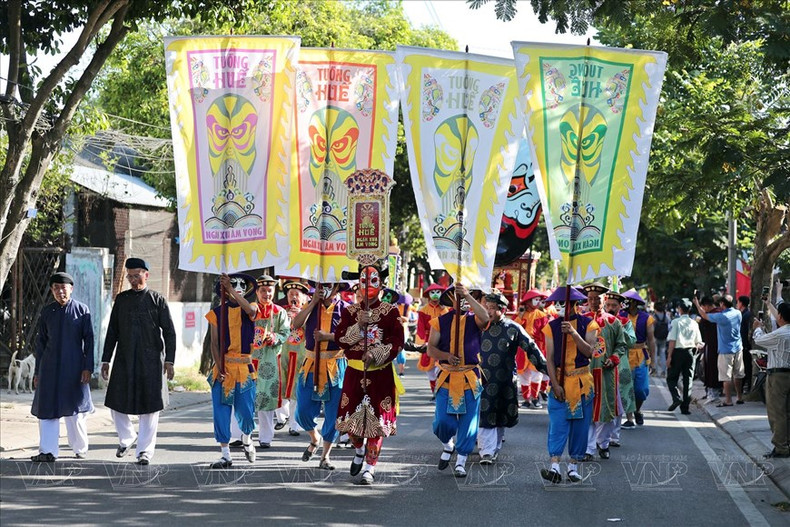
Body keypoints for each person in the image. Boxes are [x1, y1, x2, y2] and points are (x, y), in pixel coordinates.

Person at [334, 265, 405, 485]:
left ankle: (370, 467)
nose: (368, 286)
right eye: (364, 282)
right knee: (350, 424)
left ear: (381, 285)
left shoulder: (391, 312)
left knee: (377, 424)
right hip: (354, 373)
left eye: (374, 281)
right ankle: (358, 450)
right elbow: (340, 339)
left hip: (380, 374)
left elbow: (398, 342)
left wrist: (376, 353)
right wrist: (358, 326)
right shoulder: (350, 312)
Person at [101, 258, 176, 465]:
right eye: (130, 277)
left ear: (146, 275)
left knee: (150, 407)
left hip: (151, 361)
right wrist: (106, 359)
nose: (133, 280)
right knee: (115, 401)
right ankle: (127, 437)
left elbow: (169, 332)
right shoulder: (121, 300)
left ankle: (144, 452)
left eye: (137, 276)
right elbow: (112, 332)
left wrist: (170, 360)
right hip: (124, 359)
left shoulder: (157, 300)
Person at [30, 272, 94, 462]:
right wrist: (37, 372)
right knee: (47, 408)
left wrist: (88, 367)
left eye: (63, 288)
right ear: (52, 290)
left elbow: (89, 341)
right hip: (49, 368)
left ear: (71, 289)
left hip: (74, 367)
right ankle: (48, 451)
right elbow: (41, 343)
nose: (60, 291)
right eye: (56, 288)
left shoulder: (82, 310)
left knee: (75, 409)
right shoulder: (47, 312)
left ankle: (80, 447)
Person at [427, 283, 490, 478]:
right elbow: (431, 349)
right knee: (442, 423)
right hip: (446, 377)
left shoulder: (475, 319)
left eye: (469, 295)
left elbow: (486, 318)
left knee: (468, 423)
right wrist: (445, 355)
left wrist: (467, 296)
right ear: (451, 298)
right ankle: (448, 445)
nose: (463, 299)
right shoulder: (439, 321)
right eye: (459, 295)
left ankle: (461, 461)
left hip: (470, 378)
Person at [479, 290, 546, 464]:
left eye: (492, 307)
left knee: (500, 415)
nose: (488, 311)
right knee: (485, 414)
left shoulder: (513, 328)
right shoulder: (478, 325)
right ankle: (486, 451)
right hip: (481, 379)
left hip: (505, 380)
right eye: (486, 307)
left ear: (502, 309)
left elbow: (531, 348)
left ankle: (493, 448)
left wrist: (549, 370)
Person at [540, 287, 599, 484]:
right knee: (557, 425)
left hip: (582, 383)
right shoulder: (550, 327)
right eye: (556, 303)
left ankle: (573, 467)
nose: (557, 306)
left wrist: (573, 333)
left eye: (562, 303)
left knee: (580, 427)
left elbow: (590, 352)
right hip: (560, 381)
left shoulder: (589, 324)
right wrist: (555, 384)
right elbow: (549, 359)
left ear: (574, 304)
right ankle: (554, 466)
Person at [291, 281, 350, 470]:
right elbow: (295, 324)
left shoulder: (347, 309)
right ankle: (314, 437)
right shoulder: (311, 305)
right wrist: (313, 302)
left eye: (329, 285)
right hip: (311, 365)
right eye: (321, 285)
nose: (324, 288)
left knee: (334, 414)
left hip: (336, 366)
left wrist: (329, 337)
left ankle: (325, 456)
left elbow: (352, 337)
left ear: (337, 287)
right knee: (302, 412)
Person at [206, 273, 258, 468]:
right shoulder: (216, 313)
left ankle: (247, 438)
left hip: (244, 369)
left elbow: (250, 310)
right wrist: (219, 367)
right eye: (233, 285)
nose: (237, 288)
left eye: (241, 286)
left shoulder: (251, 308)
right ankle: (225, 454)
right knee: (221, 411)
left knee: (246, 411)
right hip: (224, 367)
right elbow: (214, 343)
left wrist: (230, 290)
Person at [584, 291, 631, 461]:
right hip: (585, 373)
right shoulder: (582, 320)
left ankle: (603, 443)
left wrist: (613, 359)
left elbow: (621, 345)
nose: (594, 302)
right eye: (590, 298)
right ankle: (589, 449)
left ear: (603, 300)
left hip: (606, 373)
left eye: (597, 299)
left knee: (606, 410)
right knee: (588, 412)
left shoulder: (613, 322)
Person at [249, 275, 290, 448]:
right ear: (257, 292)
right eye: (263, 291)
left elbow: (285, 332)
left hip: (270, 360)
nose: (266, 294)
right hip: (249, 358)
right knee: (245, 398)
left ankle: (265, 437)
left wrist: (275, 337)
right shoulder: (250, 310)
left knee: (266, 398)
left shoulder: (279, 312)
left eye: (269, 291)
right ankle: (241, 435)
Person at [752, 292, 790, 458]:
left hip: (778, 377)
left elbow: (759, 340)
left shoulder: (780, 334)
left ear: (780, 316)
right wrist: (769, 304)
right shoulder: (783, 332)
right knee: (787, 412)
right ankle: (786, 443)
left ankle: (781, 447)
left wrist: (757, 328)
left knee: (777, 412)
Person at [694, 294, 744, 406]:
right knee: (738, 375)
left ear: (722, 304)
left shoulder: (721, 316)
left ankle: (728, 400)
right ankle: (739, 397)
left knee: (726, 377)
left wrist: (697, 304)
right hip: (738, 347)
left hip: (725, 350)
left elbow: (704, 315)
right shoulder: (738, 313)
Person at [276, 281, 310, 436]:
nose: (294, 297)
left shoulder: (308, 312)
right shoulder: (281, 311)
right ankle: (281, 417)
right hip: (283, 354)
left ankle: (294, 425)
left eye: (297, 294)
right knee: (280, 384)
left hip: (301, 355)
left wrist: (300, 316)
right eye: (291, 294)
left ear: (304, 298)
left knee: (297, 388)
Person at [622, 289, 655, 427]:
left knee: (641, 390)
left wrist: (653, 361)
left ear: (634, 303)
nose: (626, 303)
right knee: (626, 388)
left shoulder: (646, 318)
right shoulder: (620, 316)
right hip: (624, 355)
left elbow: (651, 340)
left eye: (628, 301)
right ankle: (629, 418)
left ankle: (637, 410)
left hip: (641, 355)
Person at [666, 299, 703, 415]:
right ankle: (685, 407)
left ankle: (676, 397)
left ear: (680, 309)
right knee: (688, 380)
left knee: (671, 378)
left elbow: (672, 340)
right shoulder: (694, 323)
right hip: (690, 353)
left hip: (677, 352)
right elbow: (698, 342)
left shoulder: (675, 322)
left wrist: (669, 356)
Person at [515, 289, 549, 409]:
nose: (538, 302)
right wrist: (520, 316)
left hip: (536, 346)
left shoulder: (542, 315)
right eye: (536, 299)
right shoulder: (520, 314)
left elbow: (545, 334)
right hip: (522, 349)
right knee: (523, 375)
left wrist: (545, 349)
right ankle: (526, 399)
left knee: (537, 374)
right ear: (528, 301)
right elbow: (514, 328)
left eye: (539, 300)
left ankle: (535, 398)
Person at [416, 283, 448, 399]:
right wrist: (421, 344)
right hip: (428, 341)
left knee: (441, 368)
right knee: (430, 370)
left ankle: (439, 392)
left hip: (443, 342)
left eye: (438, 292)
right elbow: (420, 329)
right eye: (432, 292)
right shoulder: (423, 311)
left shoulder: (446, 310)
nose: (435, 295)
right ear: (428, 295)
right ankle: (434, 393)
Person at [697, 296, 722, 399]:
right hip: (712, 344)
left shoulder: (715, 314)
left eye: (703, 307)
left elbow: (704, 320)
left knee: (712, 368)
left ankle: (714, 391)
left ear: (707, 306)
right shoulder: (718, 313)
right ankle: (711, 390)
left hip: (713, 345)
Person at [737, 295, 753, 392]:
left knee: (747, 367)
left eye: (738, 302)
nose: (737, 304)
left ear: (741, 303)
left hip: (745, 345)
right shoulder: (743, 314)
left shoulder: (746, 315)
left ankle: (748, 387)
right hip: (743, 345)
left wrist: (746, 344)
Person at [652, 302, 672, 377]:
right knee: (662, 354)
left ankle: (655, 371)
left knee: (655, 354)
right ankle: (663, 371)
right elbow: (669, 327)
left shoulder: (653, 317)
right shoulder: (666, 316)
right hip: (664, 338)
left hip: (655, 337)